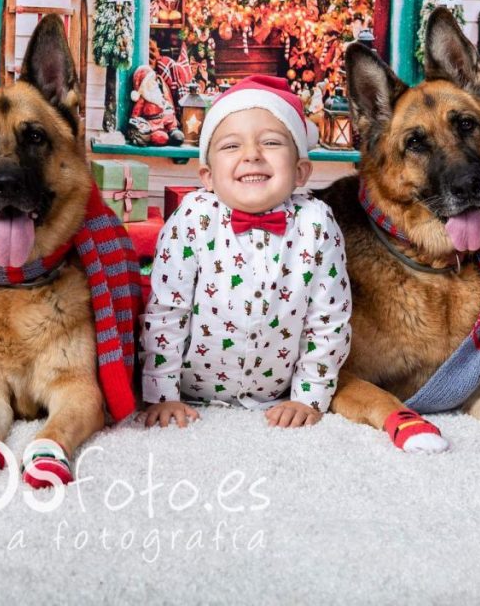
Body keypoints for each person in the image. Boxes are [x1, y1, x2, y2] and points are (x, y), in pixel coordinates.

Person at [140, 75, 351, 429]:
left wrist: (309, 397)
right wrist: (163, 395)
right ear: (207, 176)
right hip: (191, 392)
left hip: (277, 396)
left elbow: (328, 318)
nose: (252, 154)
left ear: (301, 171)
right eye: (231, 146)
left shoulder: (317, 223)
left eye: (270, 142)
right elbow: (166, 311)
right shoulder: (193, 218)